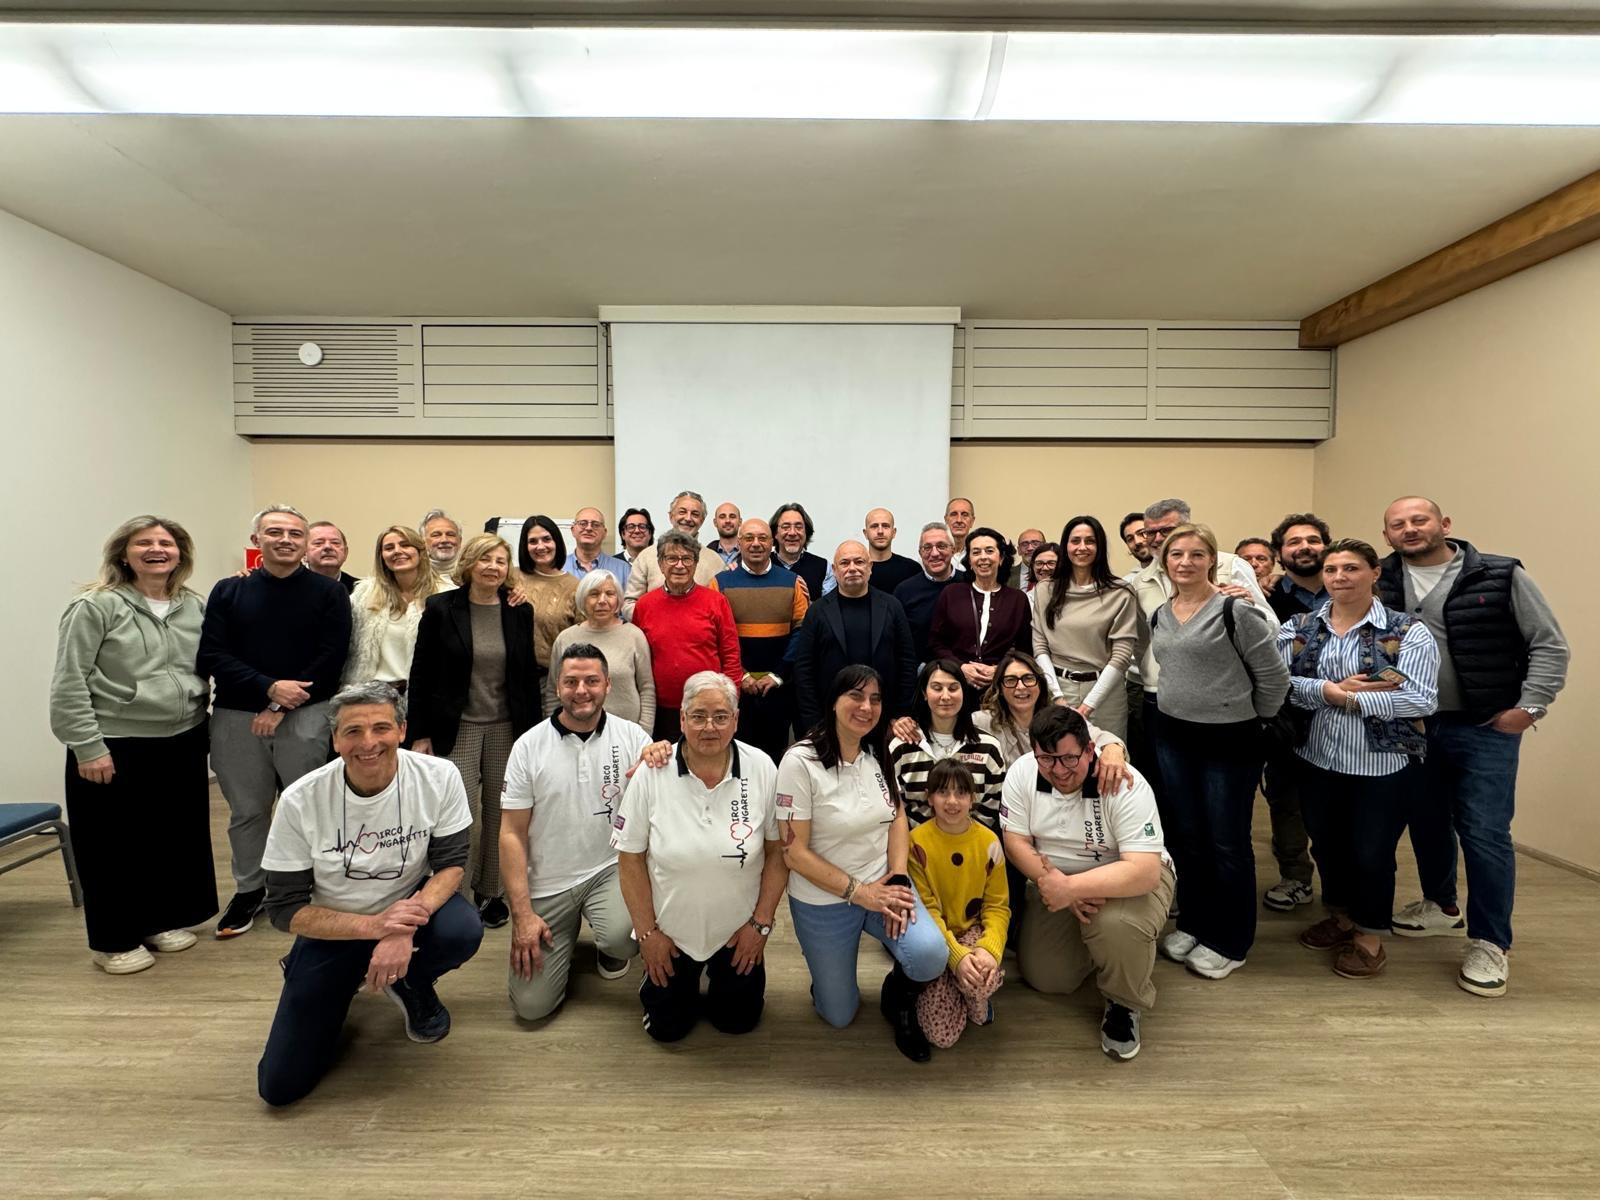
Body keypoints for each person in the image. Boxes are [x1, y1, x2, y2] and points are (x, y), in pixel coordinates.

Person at [256, 682, 483, 1107]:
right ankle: (333, 975)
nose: (368, 743)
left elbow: (452, 864)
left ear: (402, 730)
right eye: (353, 731)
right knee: (280, 1087)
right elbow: (284, 909)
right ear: (335, 739)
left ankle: (410, 981)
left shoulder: (439, 776)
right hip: (338, 924)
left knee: (462, 930)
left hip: (409, 907)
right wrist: (376, 927)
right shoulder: (300, 800)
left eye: (381, 728)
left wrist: (400, 930)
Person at [1378, 496, 1569, 997]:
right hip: (1413, 725)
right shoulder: (1380, 577)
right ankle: (1441, 905)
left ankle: (1490, 942)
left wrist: (1530, 707)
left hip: (1483, 726)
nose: (1409, 529)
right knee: (1427, 821)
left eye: (1419, 520)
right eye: (1397, 524)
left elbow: (1548, 643)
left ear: (1444, 524)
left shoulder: (1500, 574)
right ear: (1387, 536)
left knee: (1484, 832)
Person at [49, 515, 216, 975]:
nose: (157, 549)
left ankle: (159, 920)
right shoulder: (96, 606)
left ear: (180, 554)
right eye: (144, 542)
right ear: (124, 553)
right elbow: (69, 682)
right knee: (110, 846)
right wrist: (87, 746)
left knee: (167, 838)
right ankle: (114, 939)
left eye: (166, 543)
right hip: (116, 742)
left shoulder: (192, 605)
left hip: (182, 738)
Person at [1277, 539, 1440, 979]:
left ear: (1374, 573)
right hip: (1317, 758)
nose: (1339, 577)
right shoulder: (1298, 627)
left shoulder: (1407, 632)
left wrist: (1350, 701)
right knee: (1326, 845)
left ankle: (1369, 935)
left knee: (1371, 852)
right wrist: (1329, 690)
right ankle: (1342, 917)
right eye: (1331, 570)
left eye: (1350, 568)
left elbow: (1421, 700)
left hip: (1381, 766)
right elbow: (1279, 684)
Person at [778, 665, 948, 1062]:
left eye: (875, 699)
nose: (866, 707)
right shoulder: (800, 762)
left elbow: (898, 816)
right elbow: (793, 853)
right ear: (833, 701)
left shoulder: (877, 751)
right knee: (838, 1015)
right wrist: (860, 893)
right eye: (855, 696)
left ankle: (899, 999)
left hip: (883, 884)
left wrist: (899, 876)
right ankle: (827, 980)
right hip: (824, 899)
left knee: (929, 955)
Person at [199, 505, 351, 940]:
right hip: (237, 717)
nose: (285, 540)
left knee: (308, 807)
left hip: (306, 714)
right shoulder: (229, 591)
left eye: (294, 534)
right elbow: (211, 654)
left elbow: (332, 656)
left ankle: (304, 887)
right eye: (275, 532)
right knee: (247, 810)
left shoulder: (329, 593)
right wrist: (268, 688)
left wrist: (281, 705)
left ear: (304, 543)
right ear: (256, 541)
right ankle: (250, 889)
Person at [614, 671, 788, 1042]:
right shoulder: (652, 772)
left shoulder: (762, 767)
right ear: (681, 719)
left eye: (721, 717)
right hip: (670, 933)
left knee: (738, 1022)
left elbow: (777, 853)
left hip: (738, 932)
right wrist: (647, 934)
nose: (709, 727)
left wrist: (760, 925)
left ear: (736, 720)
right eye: (698, 716)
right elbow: (629, 859)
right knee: (668, 1030)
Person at [1149, 523, 1289, 981]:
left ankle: (1230, 940)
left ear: (1212, 559)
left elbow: (1274, 677)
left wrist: (1253, 719)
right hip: (1173, 736)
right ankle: (1195, 923)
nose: (1185, 562)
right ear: (1165, 561)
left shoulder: (1235, 610)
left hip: (1229, 740)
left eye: (1196, 554)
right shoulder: (1162, 613)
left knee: (1227, 841)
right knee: (1188, 836)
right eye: (1176, 554)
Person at [1001, 706, 1174, 1062]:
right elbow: (1015, 841)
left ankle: (1124, 1000)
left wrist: (1074, 889)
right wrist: (1060, 886)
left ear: (1090, 749)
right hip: (1057, 879)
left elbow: (1145, 871)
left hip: (1124, 878)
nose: (1059, 770)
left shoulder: (1124, 781)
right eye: (1047, 760)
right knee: (1049, 977)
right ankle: (1107, 952)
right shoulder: (1022, 773)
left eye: (1070, 758)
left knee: (1117, 926)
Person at [499, 643, 654, 1020]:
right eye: (570, 682)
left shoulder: (634, 738)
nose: (581, 690)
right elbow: (511, 834)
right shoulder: (527, 746)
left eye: (591, 681)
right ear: (557, 686)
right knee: (531, 1008)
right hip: (548, 882)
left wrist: (662, 761)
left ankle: (609, 945)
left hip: (610, 869)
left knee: (623, 939)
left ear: (607, 685)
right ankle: (561, 938)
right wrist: (522, 914)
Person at [408, 533, 542, 929]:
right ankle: (455, 893)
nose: (492, 567)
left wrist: (533, 736)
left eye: (500, 561)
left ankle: (491, 891)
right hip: (458, 727)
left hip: (507, 727)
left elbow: (526, 676)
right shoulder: (441, 607)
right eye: (485, 559)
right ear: (469, 564)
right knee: (460, 814)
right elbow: (421, 673)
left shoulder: (519, 610)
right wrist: (420, 733)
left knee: (502, 814)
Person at [1129, 498, 1269, 785]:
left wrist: (1248, 608)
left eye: (1166, 529)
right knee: (1171, 789)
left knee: (1223, 792)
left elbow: (1270, 629)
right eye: (1150, 532)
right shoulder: (1139, 582)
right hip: (1161, 698)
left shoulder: (1231, 565)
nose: (1157, 538)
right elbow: (1142, 641)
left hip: (1222, 706)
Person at [907, 759, 1009, 1051]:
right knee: (942, 1036)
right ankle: (958, 988)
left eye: (961, 793)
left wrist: (989, 949)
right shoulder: (916, 843)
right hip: (936, 937)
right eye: (943, 792)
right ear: (929, 797)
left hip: (974, 931)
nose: (952, 801)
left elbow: (997, 907)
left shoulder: (989, 842)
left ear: (972, 798)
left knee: (982, 975)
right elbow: (927, 910)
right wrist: (956, 957)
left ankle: (973, 997)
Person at [1259, 511, 1332, 913]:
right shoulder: (1266, 598)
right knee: (1286, 801)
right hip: (1285, 718)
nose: (1305, 547)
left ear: (1327, 546)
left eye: (1313, 540)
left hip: (1344, 716)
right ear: (1280, 553)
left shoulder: (1350, 591)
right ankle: (1296, 878)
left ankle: (1342, 890)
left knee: (1336, 807)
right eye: (1294, 542)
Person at [1032, 515, 1139, 741]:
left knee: (1108, 756)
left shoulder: (1120, 592)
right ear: (1065, 546)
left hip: (1105, 695)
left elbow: (1121, 655)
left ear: (1100, 547)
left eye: (1090, 541)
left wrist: (1088, 705)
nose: (1082, 547)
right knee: (1059, 756)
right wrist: (1058, 697)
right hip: (1057, 689)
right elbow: (1040, 646)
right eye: (1075, 541)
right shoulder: (1046, 589)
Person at [791, 540, 917, 732]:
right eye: (845, 563)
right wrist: (814, 722)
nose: (852, 568)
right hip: (830, 722)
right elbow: (804, 669)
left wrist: (899, 715)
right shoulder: (817, 611)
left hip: (883, 720)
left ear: (870, 567)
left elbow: (907, 663)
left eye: (859, 562)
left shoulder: (892, 606)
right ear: (835, 570)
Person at [631, 530, 743, 742]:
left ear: (696, 563)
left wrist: (730, 701)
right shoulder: (644, 605)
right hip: (661, 709)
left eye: (687, 559)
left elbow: (731, 656)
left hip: (708, 709)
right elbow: (637, 660)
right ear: (660, 563)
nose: (680, 565)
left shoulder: (716, 602)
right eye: (672, 558)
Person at [716, 518, 808, 762]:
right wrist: (741, 675)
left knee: (775, 760)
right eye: (749, 538)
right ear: (739, 543)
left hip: (779, 690)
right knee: (738, 760)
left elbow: (802, 631)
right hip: (736, 691)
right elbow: (716, 636)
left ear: (772, 542)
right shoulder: (720, 583)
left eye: (762, 538)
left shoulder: (793, 582)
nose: (756, 543)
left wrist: (778, 675)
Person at [886, 658, 1006, 830]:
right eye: (937, 688)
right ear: (924, 693)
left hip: (973, 842)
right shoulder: (902, 746)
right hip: (914, 843)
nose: (945, 696)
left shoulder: (988, 747)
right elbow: (893, 807)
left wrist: (962, 837)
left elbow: (993, 805)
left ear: (963, 692)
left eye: (953, 688)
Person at [342, 525, 454, 691]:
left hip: (425, 693)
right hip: (373, 694)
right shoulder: (364, 594)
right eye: (389, 548)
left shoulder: (446, 594)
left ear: (420, 552)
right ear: (381, 556)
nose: (397, 551)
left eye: (405, 545)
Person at [929, 527, 1031, 700]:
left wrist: (1000, 670)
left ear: (1001, 558)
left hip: (1000, 689)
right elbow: (936, 643)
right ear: (969, 560)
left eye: (989, 551)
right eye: (976, 552)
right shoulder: (951, 593)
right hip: (955, 685)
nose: (983, 557)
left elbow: (1025, 650)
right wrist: (961, 667)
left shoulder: (1018, 599)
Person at [550, 569, 656, 730]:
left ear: (618, 599)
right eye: (594, 594)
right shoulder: (565, 639)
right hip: (575, 732)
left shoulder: (634, 636)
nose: (602, 600)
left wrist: (644, 733)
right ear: (582, 599)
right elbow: (553, 691)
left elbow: (647, 689)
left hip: (627, 733)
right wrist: (555, 729)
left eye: (610, 594)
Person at [622, 492, 727, 617]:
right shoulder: (646, 556)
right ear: (671, 516)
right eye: (682, 512)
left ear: (702, 520)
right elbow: (630, 603)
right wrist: (658, 621)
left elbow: (721, 607)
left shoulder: (715, 561)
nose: (688, 518)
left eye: (695, 514)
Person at [515, 514, 580, 708]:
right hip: (512, 680)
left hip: (552, 682)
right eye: (533, 541)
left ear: (557, 542)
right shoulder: (511, 577)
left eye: (546, 539)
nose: (540, 546)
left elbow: (581, 639)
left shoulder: (575, 587)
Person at [894, 522, 959, 665]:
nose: (934, 553)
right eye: (927, 548)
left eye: (941, 546)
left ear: (953, 550)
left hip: (965, 671)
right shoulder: (904, 591)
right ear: (920, 553)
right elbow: (899, 642)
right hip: (920, 672)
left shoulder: (968, 584)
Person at [771, 502, 836, 599]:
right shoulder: (762, 564)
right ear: (775, 533)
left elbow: (830, 605)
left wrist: (809, 604)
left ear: (806, 532)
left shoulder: (823, 567)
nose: (792, 533)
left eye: (798, 527)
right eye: (786, 527)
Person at [564, 508, 632, 587]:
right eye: (583, 524)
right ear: (573, 530)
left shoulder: (623, 569)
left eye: (596, 525)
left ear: (604, 533)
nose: (589, 528)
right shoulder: (559, 567)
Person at [864, 507, 922, 594]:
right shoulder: (857, 570)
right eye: (874, 526)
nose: (880, 531)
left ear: (894, 532)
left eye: (885, 526)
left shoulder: (912, 569)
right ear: (865, 533)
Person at [305, 521, 359, 594]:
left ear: (345, 553)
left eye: (335, 543)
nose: (328, 547)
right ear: (304, 553)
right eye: (318, 543)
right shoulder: (291, 585)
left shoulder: (361, 589)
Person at [420, 509, 463, 573]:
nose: (444, 540)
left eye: (450, 535)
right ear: (423, 541)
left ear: (460, 541)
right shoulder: (414, 573)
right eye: (436, 535)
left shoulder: (472, 572)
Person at [944, 497, 976, 567]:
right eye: (954, 514)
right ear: (946, 520)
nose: (959, 520)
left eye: (965, 515)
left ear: (972, 521)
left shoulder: (978, 554)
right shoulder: (936, 553)